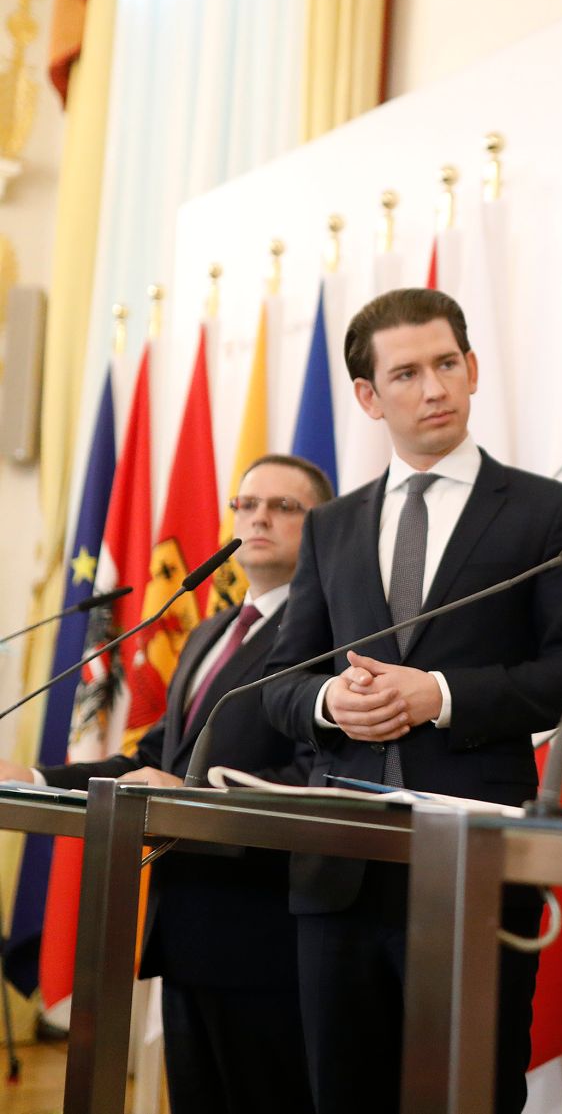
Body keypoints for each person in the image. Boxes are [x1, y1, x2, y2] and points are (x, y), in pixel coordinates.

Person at [261, 288, 562, 1114]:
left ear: (474, 368)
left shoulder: (543, 509)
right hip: (339, 876)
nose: (434, 387)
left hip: (477, 859)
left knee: (470, 1095)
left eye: (447, 363)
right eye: (408, 372)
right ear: (368, 396)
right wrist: (327, 704)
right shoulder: (332, 527)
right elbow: (277, 683)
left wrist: (441, 695)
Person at [1, 453, 330, 1114]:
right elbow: (154, 757)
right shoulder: (209, 629)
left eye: (283, 506)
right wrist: (35, 777)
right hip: (182, 926)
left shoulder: (329, 635)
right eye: (246, 504)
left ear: (323, 528)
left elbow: (317, 775)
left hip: (264, 933)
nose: (259, 516)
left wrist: (192, 797)